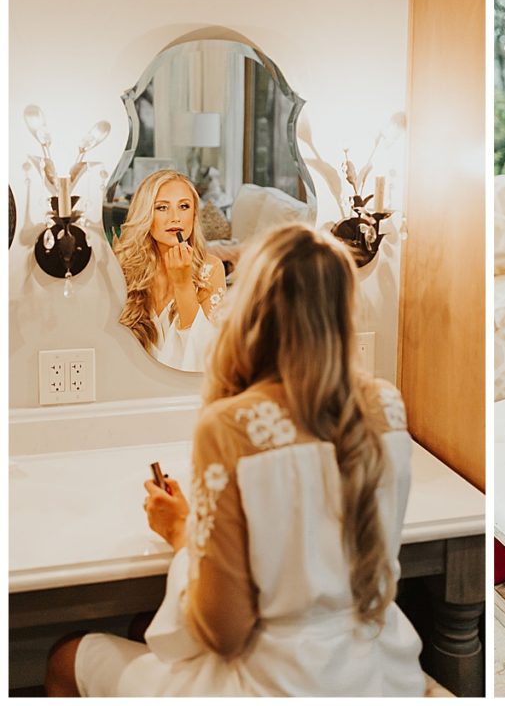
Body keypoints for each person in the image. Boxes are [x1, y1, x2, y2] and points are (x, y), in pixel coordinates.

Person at [45, 224, 425, 696]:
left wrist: (182, 531)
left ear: (252, 307)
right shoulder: (386, 405)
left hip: (276, 682)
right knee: (142, 628)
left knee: (67, 656)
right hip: (379, 667)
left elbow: (225, 632)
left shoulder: (231, 426)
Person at [113, 169, 226, 372]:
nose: (175, 218)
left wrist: (183, 283)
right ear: (146, 214)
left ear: (194, 214)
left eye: (184, 206)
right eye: (162, 207)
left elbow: (204, 356)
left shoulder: (210, 269)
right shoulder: (121, 268)